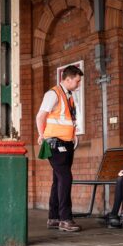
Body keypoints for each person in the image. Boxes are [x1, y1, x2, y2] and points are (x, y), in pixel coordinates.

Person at [36, 65, 83, 232]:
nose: (78, 84)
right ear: (68, 79)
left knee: (58, 180)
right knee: (65, 178)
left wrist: (73, 135)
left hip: (67, 143)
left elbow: (66, 120)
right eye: (77, 81)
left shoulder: (68, 96)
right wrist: (42, 135)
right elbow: (40, 116)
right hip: (56, 144)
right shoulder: (53, 94)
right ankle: (65, 219)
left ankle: (54, 218)